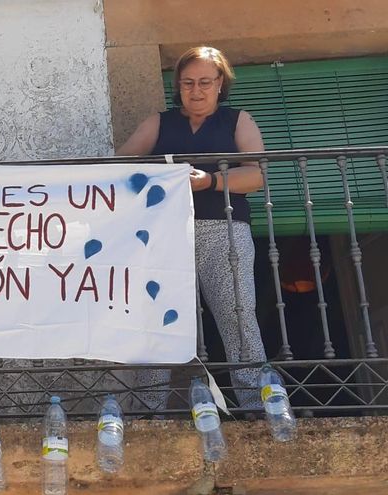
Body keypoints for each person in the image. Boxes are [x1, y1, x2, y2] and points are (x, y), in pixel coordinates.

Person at [116, 46, 267, 410]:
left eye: (203, 82)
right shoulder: (159, 123)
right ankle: (149, 414)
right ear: (177, 86)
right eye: (187, 83)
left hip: (224, 231)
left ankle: (257, 406)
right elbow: (120, 165)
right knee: (157, 323)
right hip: (163, 236)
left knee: (238, 316)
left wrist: (211, 181)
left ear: (220, 84)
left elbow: (257, 175)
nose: (195, 90)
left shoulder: (237, 121)